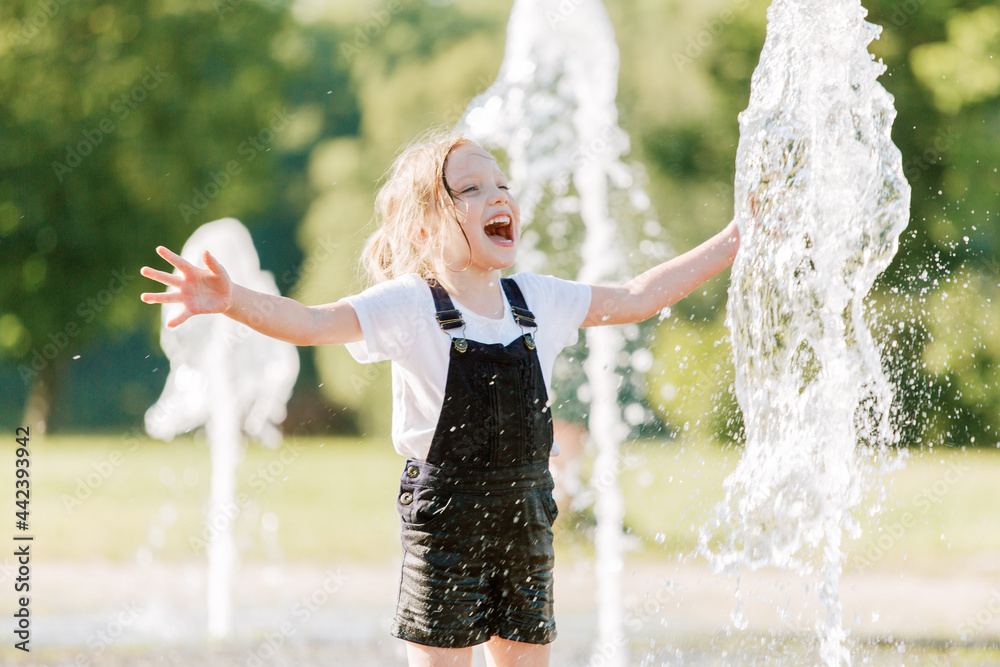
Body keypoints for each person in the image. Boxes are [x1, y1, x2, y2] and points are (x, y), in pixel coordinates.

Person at [140, 130, 739, 667]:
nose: (498, 195)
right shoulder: (410, 304)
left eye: (503, 184)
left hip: (525, 516)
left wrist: (735, 239)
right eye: (472, 188)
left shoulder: (537, 300)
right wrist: (231, 298)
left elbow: (638, 295)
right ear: (425, 227)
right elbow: (310, 322)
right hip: (446, 519)